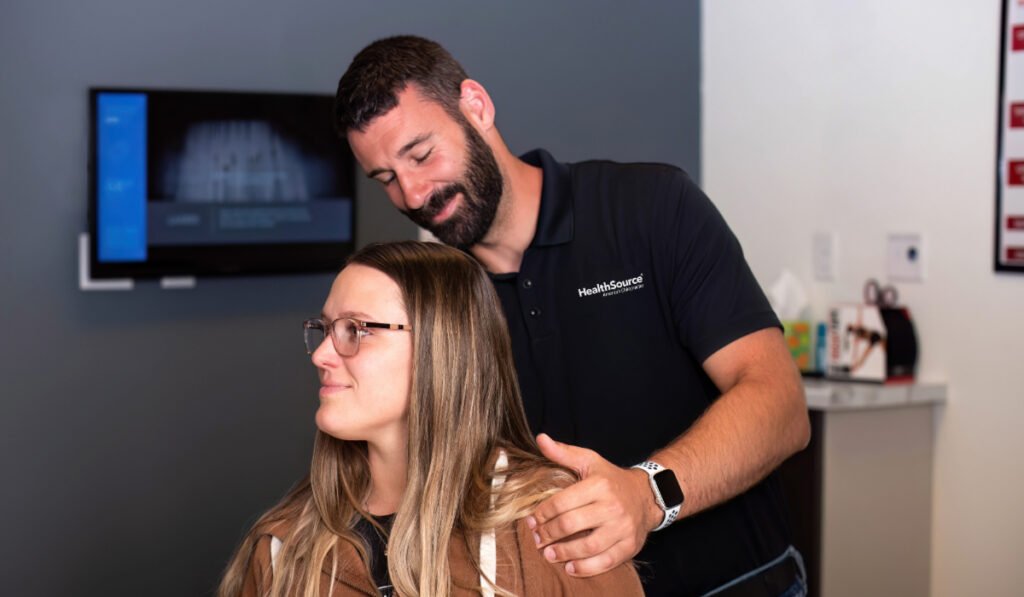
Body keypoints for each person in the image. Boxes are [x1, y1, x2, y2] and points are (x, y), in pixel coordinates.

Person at [334, 36, 812, 596]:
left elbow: (781, 405)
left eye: (421, 154)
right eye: (386, 178)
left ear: (476, 107)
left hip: (741, 582)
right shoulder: (437, 296)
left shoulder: (651, 207)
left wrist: (647, 494)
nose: (413, 195)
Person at [218, 241, 643, 597]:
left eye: (357, 330)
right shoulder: (283, 547)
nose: (321, 354)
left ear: (442, 348)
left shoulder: (554, 525)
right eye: (326, 329)